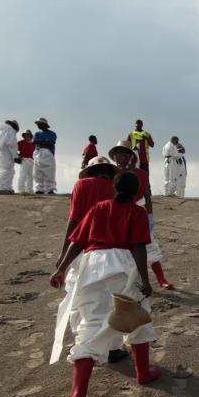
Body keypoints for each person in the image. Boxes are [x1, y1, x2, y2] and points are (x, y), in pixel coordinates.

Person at [50, 171, 159, 397]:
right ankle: (143, 373)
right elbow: (138, 246)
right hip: (122, 265)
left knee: (91, 324)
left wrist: (62, 268)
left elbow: (76, 241)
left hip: (91, 266)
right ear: (135, 191)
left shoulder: (98, 207)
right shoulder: (136, 212)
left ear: (114, 188)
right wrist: (144, 278)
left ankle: (77, 394)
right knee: (136, 315)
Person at [55, 155, 130, 364]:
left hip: (83, 249)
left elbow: (74, 220)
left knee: (79, 298)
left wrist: (63, 256)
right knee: (112, 301)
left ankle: (82, 341)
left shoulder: (81, 185)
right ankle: (113, 346)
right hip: (114, 252)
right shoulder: (116, 189)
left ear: (90, 171)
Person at [110, 141, 174, 289]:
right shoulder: (111, 173)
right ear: (114, 156)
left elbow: (146, 195)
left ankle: (161, 278)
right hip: (117, 212)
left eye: (126, 153)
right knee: (120, 247)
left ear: (132, 156)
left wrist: (150, 215)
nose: (122, 156)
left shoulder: (141, 173)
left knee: (149, 244)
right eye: (119, 153)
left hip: (138, 210)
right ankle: (127, 280)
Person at [0, 119, 19, 194]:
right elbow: (11, 145)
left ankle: (6, 187)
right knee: (7, 170)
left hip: (0, 153)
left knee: (5, 170)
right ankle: (2, 188)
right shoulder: (10, 130)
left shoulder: (1, 130)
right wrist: (15, 156)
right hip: (6, 153)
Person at [33, 117, 57, 195]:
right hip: (38, 152)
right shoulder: (37, 133)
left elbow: (51, 142)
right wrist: (45, 141)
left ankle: (49, 189)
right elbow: (35, 141)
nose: (38, 125)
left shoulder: (52, 133)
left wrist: (41, 142)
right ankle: (39, 189)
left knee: (49, 172)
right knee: (38, 172)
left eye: (39, 124)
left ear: (44, 124)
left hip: (48, 153)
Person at [17, 130, 35, 195]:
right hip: (24, 159)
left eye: (28, 135)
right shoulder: (21, 142)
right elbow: (14, 149)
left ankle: (29, 190)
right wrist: (19, 156)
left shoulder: (33, 144)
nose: (27, 136)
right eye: (26, 135)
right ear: (24, 136)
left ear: (30, 136)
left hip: (31, 160)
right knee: (23, 175)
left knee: (30, 176)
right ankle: (21, 190)